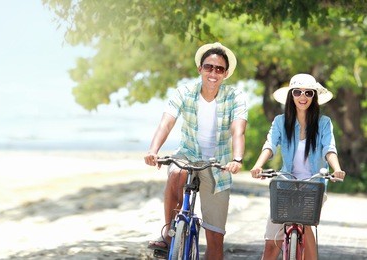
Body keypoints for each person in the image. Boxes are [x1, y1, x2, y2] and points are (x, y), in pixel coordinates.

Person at [144, 42, 248, 259]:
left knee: (215, 241)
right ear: (200, 69)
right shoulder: (185, 92)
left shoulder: (235, 97)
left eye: (219, 69)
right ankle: (169, 234)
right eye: (209, 67)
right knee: (176, 172)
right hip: (188, 153)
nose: (213, 73)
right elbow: (167, 122)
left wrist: (237, 158)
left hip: (218, 165)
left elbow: (238, 130)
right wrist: (153, 150)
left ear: (225, 73)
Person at [250, 73, 346, 260]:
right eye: (298, 92)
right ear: (291, 95)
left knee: (306, 222)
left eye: (308, 93)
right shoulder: (280, 121)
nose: (303, 97)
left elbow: (329, 148)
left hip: (313, 185)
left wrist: (337, 169)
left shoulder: (324, 123)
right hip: (286, 183)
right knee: (271, 242)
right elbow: (270, 145)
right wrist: (258, 165)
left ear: (314, 97)